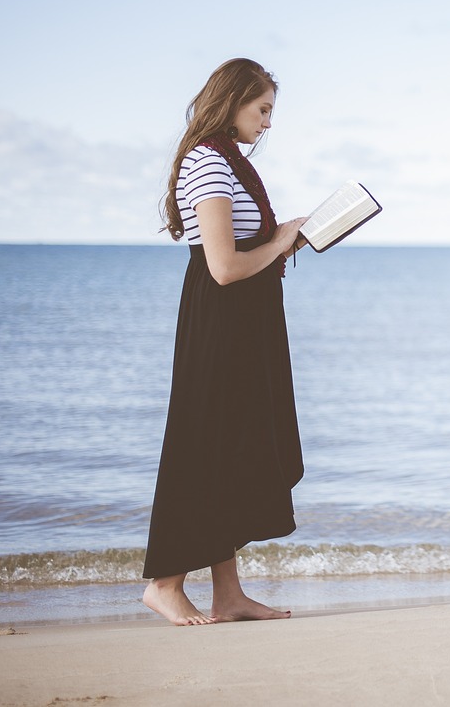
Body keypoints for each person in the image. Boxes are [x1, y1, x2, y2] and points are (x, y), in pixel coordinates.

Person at [142, 58, 309, 625]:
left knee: (231, 453)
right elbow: (223, 268)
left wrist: (286, 238)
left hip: (243, 325)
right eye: (262, 109)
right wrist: (282, 242)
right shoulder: (209, 162)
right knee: (202, 449)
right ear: (234, 101)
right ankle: (164, 584)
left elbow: (237, 254)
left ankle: (229, 594)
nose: (267, 123)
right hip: (221, 322)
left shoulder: (225, 162)